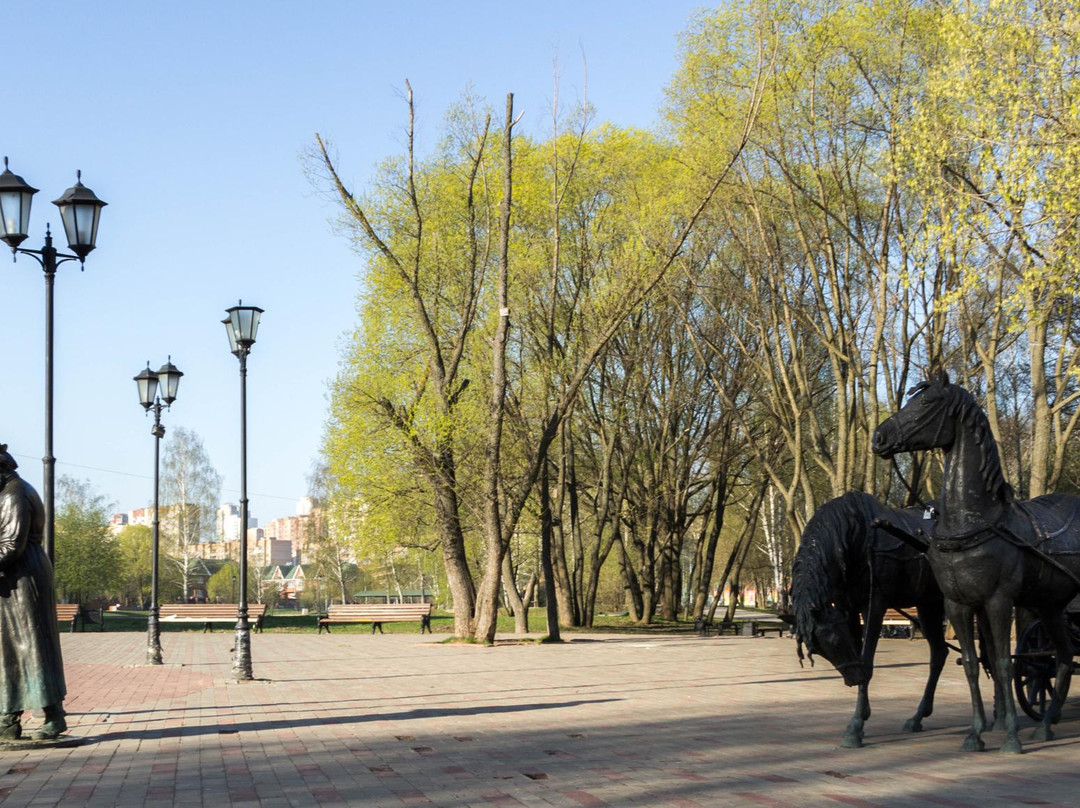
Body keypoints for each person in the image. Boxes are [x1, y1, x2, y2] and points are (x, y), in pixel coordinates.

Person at [0, 444, 66, 741]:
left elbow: (12, 545)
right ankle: (8, 718)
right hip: (12, 579)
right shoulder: (8, 491)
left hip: (24, 578)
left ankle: (54, 716)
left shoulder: (14, 494)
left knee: (34, 647)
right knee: (9, 651)